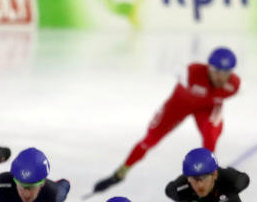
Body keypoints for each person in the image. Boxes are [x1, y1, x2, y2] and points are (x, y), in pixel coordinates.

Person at [92, 47, 241, 194]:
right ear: (208, 68)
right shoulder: (189, 73)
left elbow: (217, 113)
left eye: (226, 73)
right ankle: (120, 173)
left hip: (206, 108)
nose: (220, 78)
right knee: (150, 139)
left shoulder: (234, 86)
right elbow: (172, 68)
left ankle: (208, 181)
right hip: (178, 106)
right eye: (216, 72)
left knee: (210, 137)